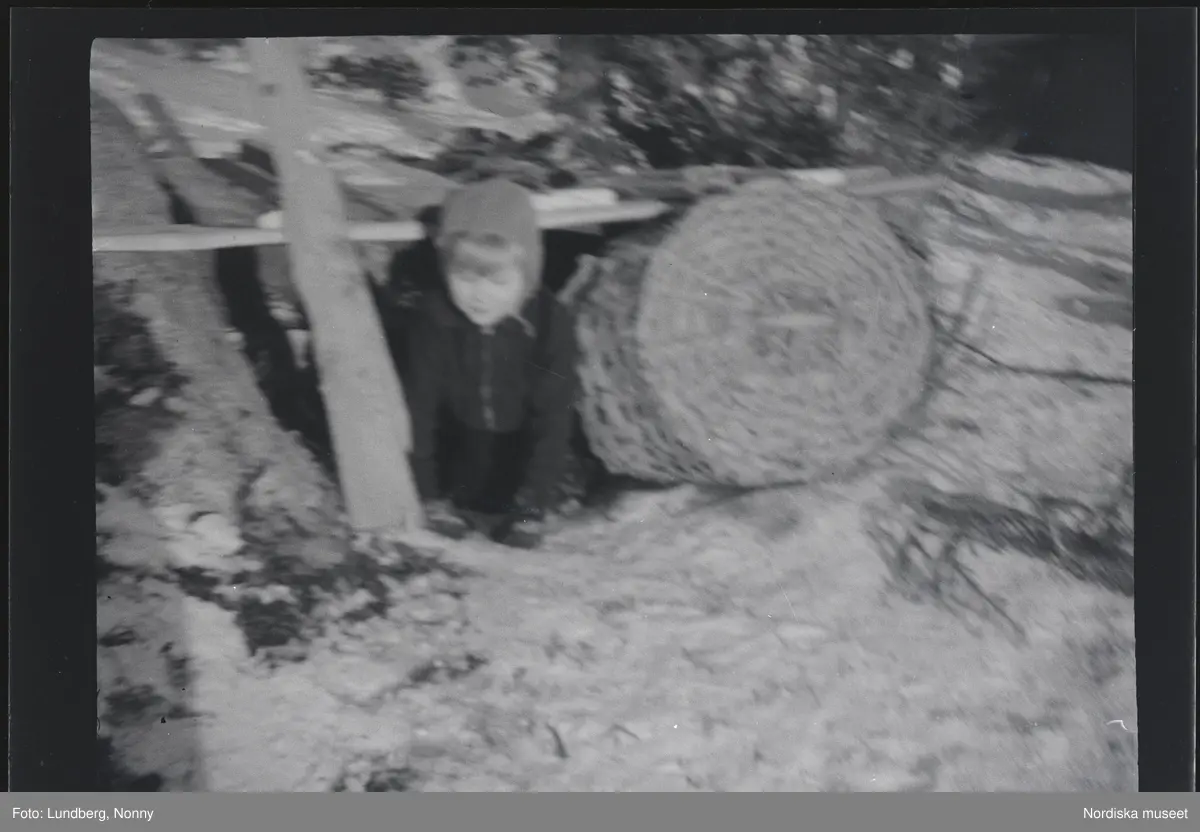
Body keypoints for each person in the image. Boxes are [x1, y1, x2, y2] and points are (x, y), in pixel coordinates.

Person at [403, 178, 580, 550]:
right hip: (461, 446)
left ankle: (534, 499)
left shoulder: (548, 323)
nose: (479, 295)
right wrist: (428, 495)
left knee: (558, 469)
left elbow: (552, 417)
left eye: (498, 282)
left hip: (527, 450)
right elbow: (419, 409)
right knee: (467, 490)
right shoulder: (434, 320)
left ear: (526, 276)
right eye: (463, 277)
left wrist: (532, 505)